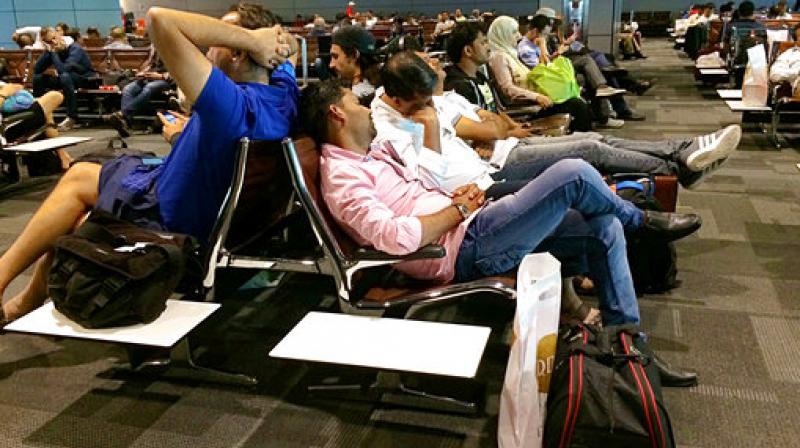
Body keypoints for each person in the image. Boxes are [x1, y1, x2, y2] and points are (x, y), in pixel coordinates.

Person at [301, 79, 698, 386]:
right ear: (337, 113)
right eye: (357, 102)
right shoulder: (342, 178)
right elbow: (395, 237)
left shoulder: (371, 155)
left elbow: (419, 192)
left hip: (476, 225)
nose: (367, 107)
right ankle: (643, 223)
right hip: (462, 250)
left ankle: (628, 348)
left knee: (602, 225)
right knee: (573, 171)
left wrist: (455, 196)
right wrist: (458, 209)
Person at [0, 4, 299, 323]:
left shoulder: (231, 104)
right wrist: (184, 136)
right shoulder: (283, 95)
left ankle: (11, 292)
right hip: (207, 210)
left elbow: (159, 19)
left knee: (77, 198)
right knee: (84, 176)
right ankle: (18, 303)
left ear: (239, 53)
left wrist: (249, 39)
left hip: (170, 221)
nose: (207, 48)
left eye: (217, 40)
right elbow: (292, 47)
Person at [378, 51, 739, 198]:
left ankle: (682, 153)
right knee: (590, 150)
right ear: (396, 98)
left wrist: (478, 133)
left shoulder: (431, 101)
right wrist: (439, 127)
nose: (430, 106)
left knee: (593, 137)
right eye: (422, 103)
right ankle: (680, 161)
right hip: (494, 168)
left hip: (500, 152)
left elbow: (484, 123)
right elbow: (430, 174)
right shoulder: (395, 126)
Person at [486, 16, 593, 132]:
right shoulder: (499, 57)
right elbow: (507, 88)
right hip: (526, 107)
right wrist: (536, 96)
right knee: (577, 105)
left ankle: (583, 140)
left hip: (535, 102)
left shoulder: (510, 54)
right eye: (514, 32)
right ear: (503, 34)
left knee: (577, 101)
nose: (519, 36)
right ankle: (583, 141)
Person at [31, 27, 96, 131]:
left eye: (53, 38)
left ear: (59, 36)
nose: (53, 42)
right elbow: (37, 69)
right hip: (66, 79)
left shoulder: (75, 48)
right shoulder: (53, 50)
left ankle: (71, 117)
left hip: (85, 79)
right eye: (48, 41)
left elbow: (63, 69)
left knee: (64, 76)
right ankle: (39, 114)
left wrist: (52, 52)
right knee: (38, 78)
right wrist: (47, 51)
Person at [0, 83, 70, 171]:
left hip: (9, 118)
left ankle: (62, 155)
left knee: (45, 108)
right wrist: (5, 93)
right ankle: (62, 154)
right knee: (54, 97)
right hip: (6, 126)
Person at [107, 44, 172, 137]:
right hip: (149, 77)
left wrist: (161, 76)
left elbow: (181, 70)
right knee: (127, 89)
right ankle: (125, 125)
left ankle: (123, 115)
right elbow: (151, 64)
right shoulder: (156, 45)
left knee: (148, 88)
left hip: (165, 80)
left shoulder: (177, 47)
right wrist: (143, 72)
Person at [329, 26, 380, 104]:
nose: (331, 65)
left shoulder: (352, 102)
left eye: (335, 57)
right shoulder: (382, 89)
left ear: (354, 55)